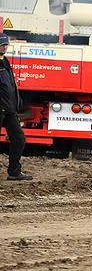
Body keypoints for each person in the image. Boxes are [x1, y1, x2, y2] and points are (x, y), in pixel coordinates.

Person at [0, 33, 32, 181]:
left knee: (19, 138)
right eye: (2, 45)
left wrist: (16, 103)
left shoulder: (5, 61)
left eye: (6, 45)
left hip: (10, 110)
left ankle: (14, 172)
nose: (5, 47)